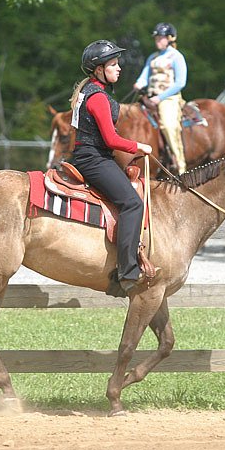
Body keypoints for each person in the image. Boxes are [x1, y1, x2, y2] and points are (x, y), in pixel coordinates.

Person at [69, 40, 154, 295]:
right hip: (94, 158)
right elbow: (111, 140)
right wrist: (140, 146)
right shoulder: (98, 97)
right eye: (113, 64)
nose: (119, 69)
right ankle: (127, 272)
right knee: (132, 203)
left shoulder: (90, 92)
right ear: (98, 69)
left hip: (90, 155)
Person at [133, 22, 188, 173]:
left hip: (168, 98)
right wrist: (139, 83)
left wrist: (161, 97)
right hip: (149, 97)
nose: (157, 40)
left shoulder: (176, 56)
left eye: (161, 38)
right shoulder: (152, 57)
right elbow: (145, 76)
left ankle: (181, 165)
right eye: (156, 38)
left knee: (168, 126)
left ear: (170, 38)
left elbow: (180, 82)